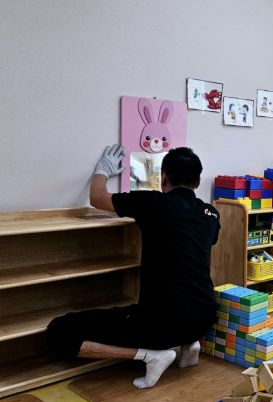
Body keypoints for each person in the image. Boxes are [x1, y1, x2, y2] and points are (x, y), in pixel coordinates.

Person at [47, 145, 220, 389]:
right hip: (204, 318)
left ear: (163, 177)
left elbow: (97, 198)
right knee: (176, 304)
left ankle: (151, 355)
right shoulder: (211, 214)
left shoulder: (152, 202)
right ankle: (189, 344)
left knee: (60, 332)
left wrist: (103, 171)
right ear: (198, 181)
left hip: (163, 324)